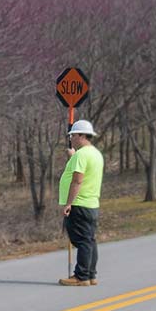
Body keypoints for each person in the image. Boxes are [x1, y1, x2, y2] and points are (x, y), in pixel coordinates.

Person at [58, 118, 104, 287]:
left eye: (73, 135)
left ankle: (81, 276)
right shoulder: (95, 153)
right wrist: (73, 157)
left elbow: (77, 181)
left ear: (81, 135)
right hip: (91, 204)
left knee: (82, 240)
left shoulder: (81, 155)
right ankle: (91, 275)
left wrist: (69, 203)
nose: (71, 138)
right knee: (89, 239)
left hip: (79, 203)